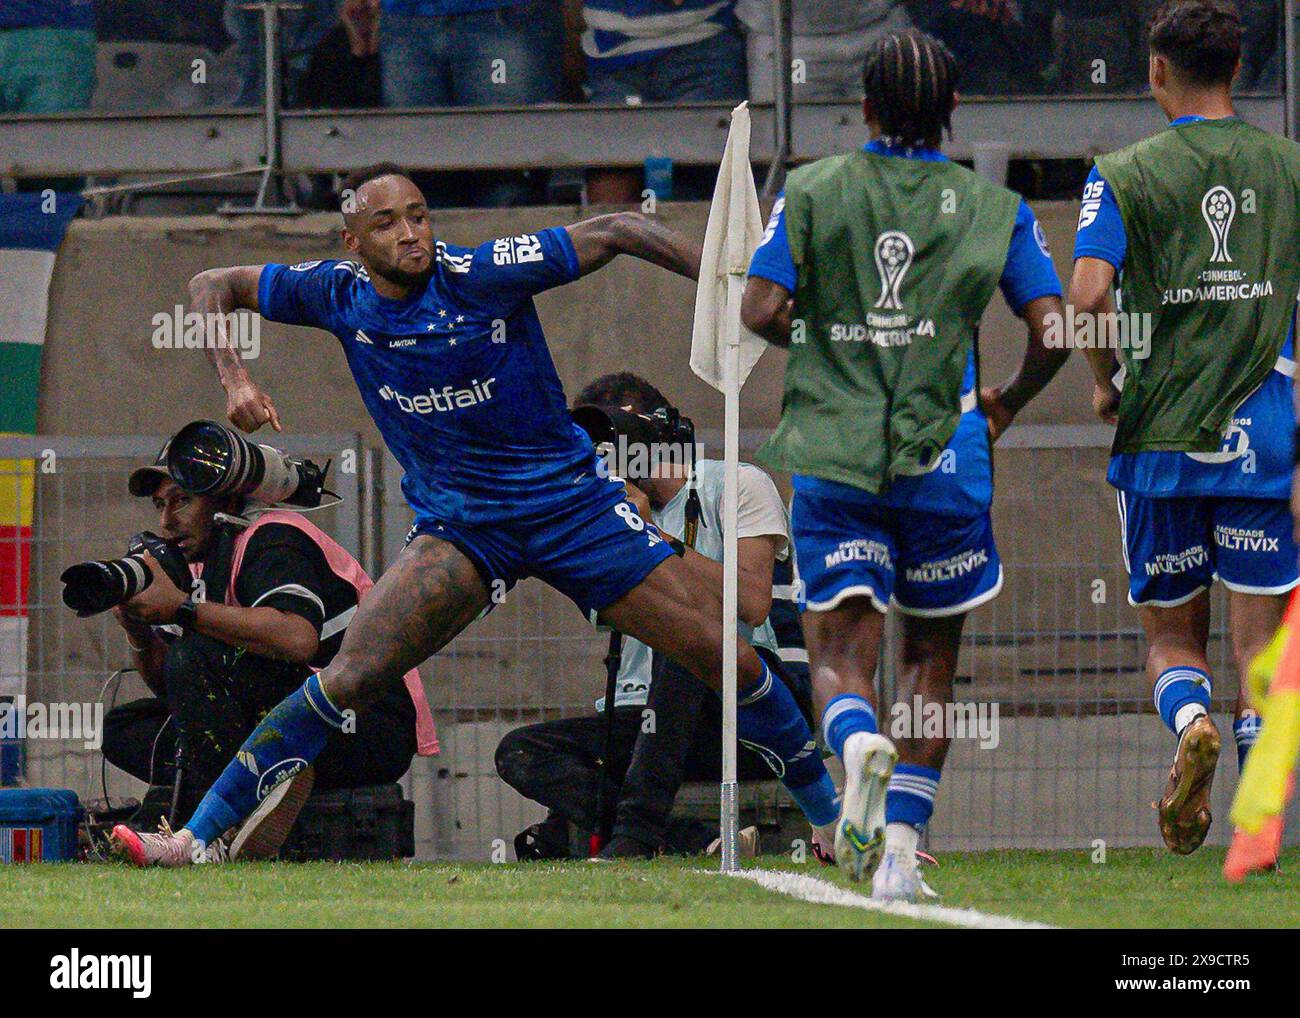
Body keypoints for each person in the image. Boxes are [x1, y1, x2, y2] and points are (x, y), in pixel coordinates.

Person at [110, 163, 841, 866]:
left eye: (419, 216)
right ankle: (196, 839)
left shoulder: (485, 272)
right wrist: (233, 376)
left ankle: (835, 824)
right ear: (353, 243)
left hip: (572, 511)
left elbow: (620, 228)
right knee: (345, 677)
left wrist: (734, 285)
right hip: (463, 531)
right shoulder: (333, 294)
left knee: (728, 654)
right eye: (388, 222)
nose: (411, 234)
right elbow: (212, 284)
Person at [742, 28, 1068, 896]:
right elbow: (1054, 327)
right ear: (953, 111)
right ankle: (899, 856)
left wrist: (827, 343)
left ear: (866, 110)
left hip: (838, 452)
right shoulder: (996, 208)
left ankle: (856, 750)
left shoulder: (812, 189)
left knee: (840, 652)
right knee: (929, 660)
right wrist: (1005, 401)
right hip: (947, 454)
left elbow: (760, 305)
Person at [1068, 0, 1300, 859]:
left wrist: (1106, 385)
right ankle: (1260, 827)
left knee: (1172, 637)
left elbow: (1088, 298)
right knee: (1261, 649)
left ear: (1157, 71)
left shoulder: (1121, 172)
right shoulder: (1289, 167)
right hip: (1265, 434)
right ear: (1238, 71)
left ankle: (1191, 720)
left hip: (1161, 434)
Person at [496, 373, 800, 859]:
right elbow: (613, 611)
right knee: (521, 752)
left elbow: (751, 601)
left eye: (605, 444)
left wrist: (652, 534)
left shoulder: (737, 484)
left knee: (686, 636)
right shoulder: (605, 519)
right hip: (642, 718)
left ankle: (632, 841)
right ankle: (687, 841)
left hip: (735, 707)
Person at [106, 437, 434, 855]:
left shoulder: (273, 535)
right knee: (123, 729)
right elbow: (179, 687)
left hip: (366, 724)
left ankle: (220, 827)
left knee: (197, 653)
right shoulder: (197, 562)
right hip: (293, 721)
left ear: (224, 499)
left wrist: (185, 610)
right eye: (159, 505)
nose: (167, 521)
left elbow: (297, 639)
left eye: (181, 500)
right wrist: (139, 633)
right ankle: (259, 789)